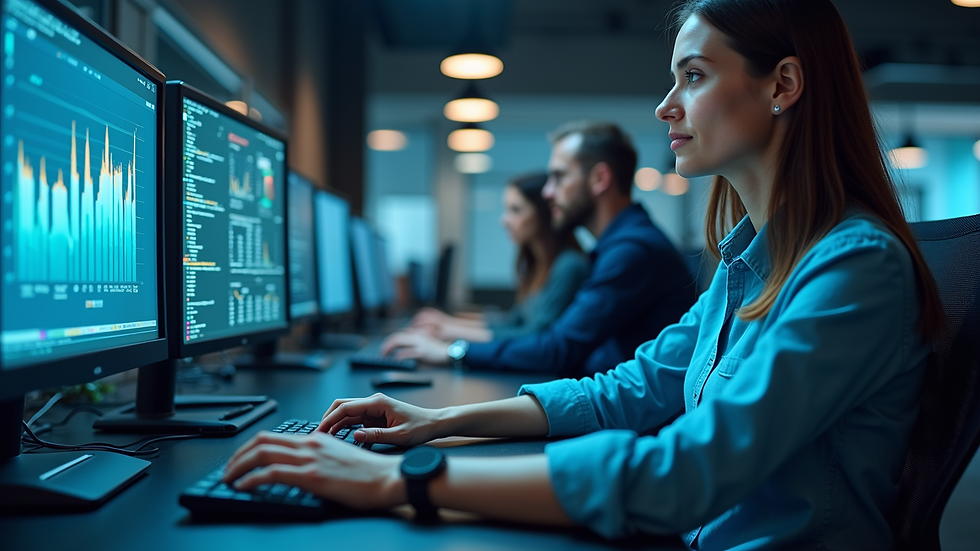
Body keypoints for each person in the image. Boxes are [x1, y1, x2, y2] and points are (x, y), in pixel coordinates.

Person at [221, 0, 944, 548]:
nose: (666, 106)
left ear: (783, 83)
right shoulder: (747, 263)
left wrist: (400, 480)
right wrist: (435, 423)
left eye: (692, 76)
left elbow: (690, 471)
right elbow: (624, 391)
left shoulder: (855, 268)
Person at [382, 121, 697, 377]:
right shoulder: (621, 245)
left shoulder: (632, 251)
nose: (548, 193)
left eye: (558, 178)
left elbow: (555, 349)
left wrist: (452, 350)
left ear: (599, 179)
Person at [411, 172, 589, 343]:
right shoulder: (538, 266)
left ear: (544, 213)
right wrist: (447, 325)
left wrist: (449, 331)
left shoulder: (569, 266)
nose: (504, 220)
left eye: (515, 210)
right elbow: (513, 321)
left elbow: (534, 335)